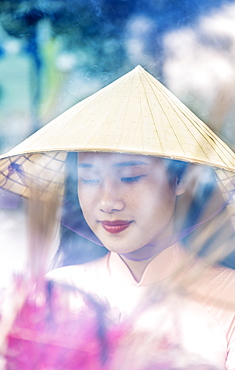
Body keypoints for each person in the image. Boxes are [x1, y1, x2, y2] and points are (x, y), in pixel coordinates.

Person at [1, 66, 235, 368]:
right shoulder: (53, 294)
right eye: (88, 178)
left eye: (129, 177)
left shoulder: (229, 298)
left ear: (180, 181)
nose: (108, 201)